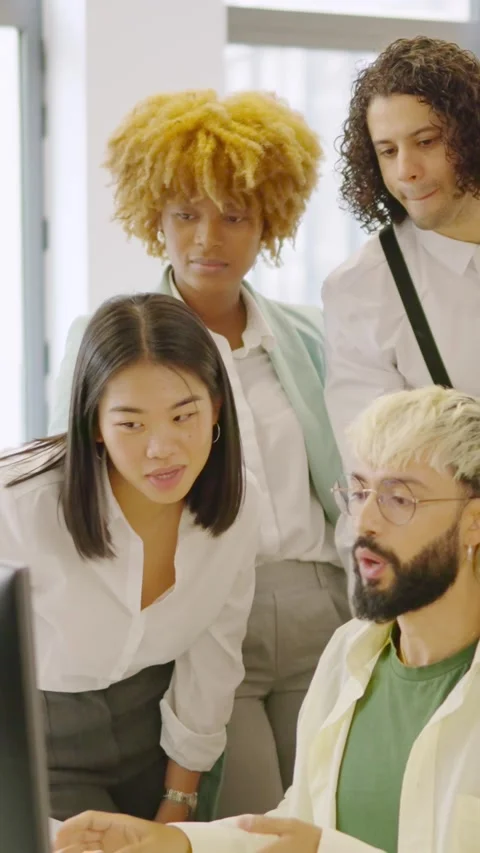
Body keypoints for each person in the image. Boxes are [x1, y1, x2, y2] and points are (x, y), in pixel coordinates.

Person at [49, 89, 350, 816]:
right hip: (212, 609)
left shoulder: (310, 335)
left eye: (235, 215)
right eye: (185, 213)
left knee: (331, 806)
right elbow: (78, 480)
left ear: (269, 221)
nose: (207, 238)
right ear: (153, 214)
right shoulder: (110, 343)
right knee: (244, 813)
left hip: (325, 603)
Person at [55, 385, 480, 853]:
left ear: (475, 522)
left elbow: (315, 844)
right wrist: (175, 841)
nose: (362, 523)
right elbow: (298, 824)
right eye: (359, 491)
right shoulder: (349, 652)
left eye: (400, 499)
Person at [0, 293, 261, 824]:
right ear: (94, 422)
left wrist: (179, 800)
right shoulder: (18, 508)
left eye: (183, 415)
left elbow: (214, 652)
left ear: (215, 406)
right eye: (132, 424)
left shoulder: (238, 502)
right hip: (40, 736)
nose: (162, 447)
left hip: (155, 734)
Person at [323, 36, 480, 462]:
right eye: (388, 152)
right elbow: (377, 469)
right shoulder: (362, 288)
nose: (406, 171)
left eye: (426, 141)